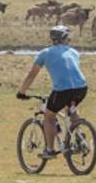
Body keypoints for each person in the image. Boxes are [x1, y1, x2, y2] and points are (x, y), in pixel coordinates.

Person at [16, 25, 87, 158]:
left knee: (49, 116)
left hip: (62, 90)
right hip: (81, 87)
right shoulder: (74, 52)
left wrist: (22, 91)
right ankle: (78, 134)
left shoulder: (45, 53)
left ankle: (49, 150)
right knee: (71, 107)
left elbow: (32, 74)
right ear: (65, 39)